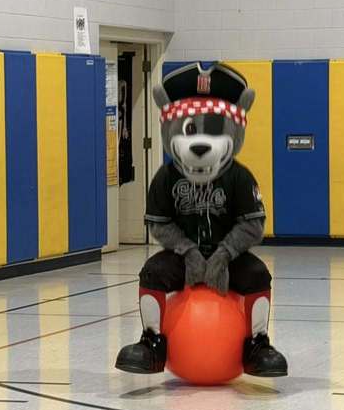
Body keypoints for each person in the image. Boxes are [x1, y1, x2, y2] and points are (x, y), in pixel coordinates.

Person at [114, 62, 288, 378]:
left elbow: (252, 225)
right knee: (153, 272)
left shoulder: (239, 177)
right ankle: (152, 341)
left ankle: (257, 343)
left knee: (257, 274)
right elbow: (159, 223)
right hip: (183, 256)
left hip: (228, 256)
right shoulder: (166, 177)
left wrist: (224, 255)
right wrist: (188, 252)